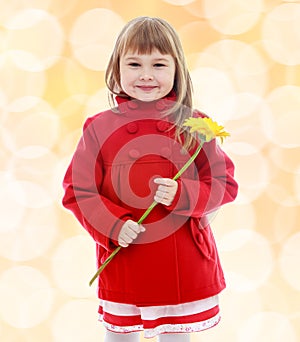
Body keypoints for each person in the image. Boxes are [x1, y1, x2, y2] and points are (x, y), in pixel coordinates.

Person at [62, 16, 238, 342]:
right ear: (116, 70)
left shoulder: (196, 124)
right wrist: (113, 225)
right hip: (125, 261)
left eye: (158, 64)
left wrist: (183, 193)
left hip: (182, 263)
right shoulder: (98, 127)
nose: (146, 75)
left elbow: (225, 184)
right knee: (119, 336)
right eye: (134, 63)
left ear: (177, 70)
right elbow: (77, 190)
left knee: (176, 336)